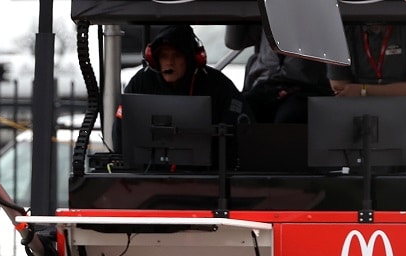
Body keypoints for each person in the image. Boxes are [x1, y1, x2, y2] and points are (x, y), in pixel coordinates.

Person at [115, 23, 244, 156]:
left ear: (192, 59)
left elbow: (241, 132)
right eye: (164, 56)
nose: (169, 62)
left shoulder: (217, 84)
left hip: (206, 174)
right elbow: (121, 126)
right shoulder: (140, 82)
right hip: (148, 172)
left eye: (176, 55)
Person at [326, 22, 406, 151]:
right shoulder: (345, 29)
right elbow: (339, 86)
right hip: (365, 101)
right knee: (333, 115)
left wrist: (363, 90)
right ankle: (347, 167)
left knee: (404, 118)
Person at [243, 34, 332, 125]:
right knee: (239, 111)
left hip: (305, 86)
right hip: (272, 84)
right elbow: (234, 42)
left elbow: (234, 42)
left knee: (288, 119)